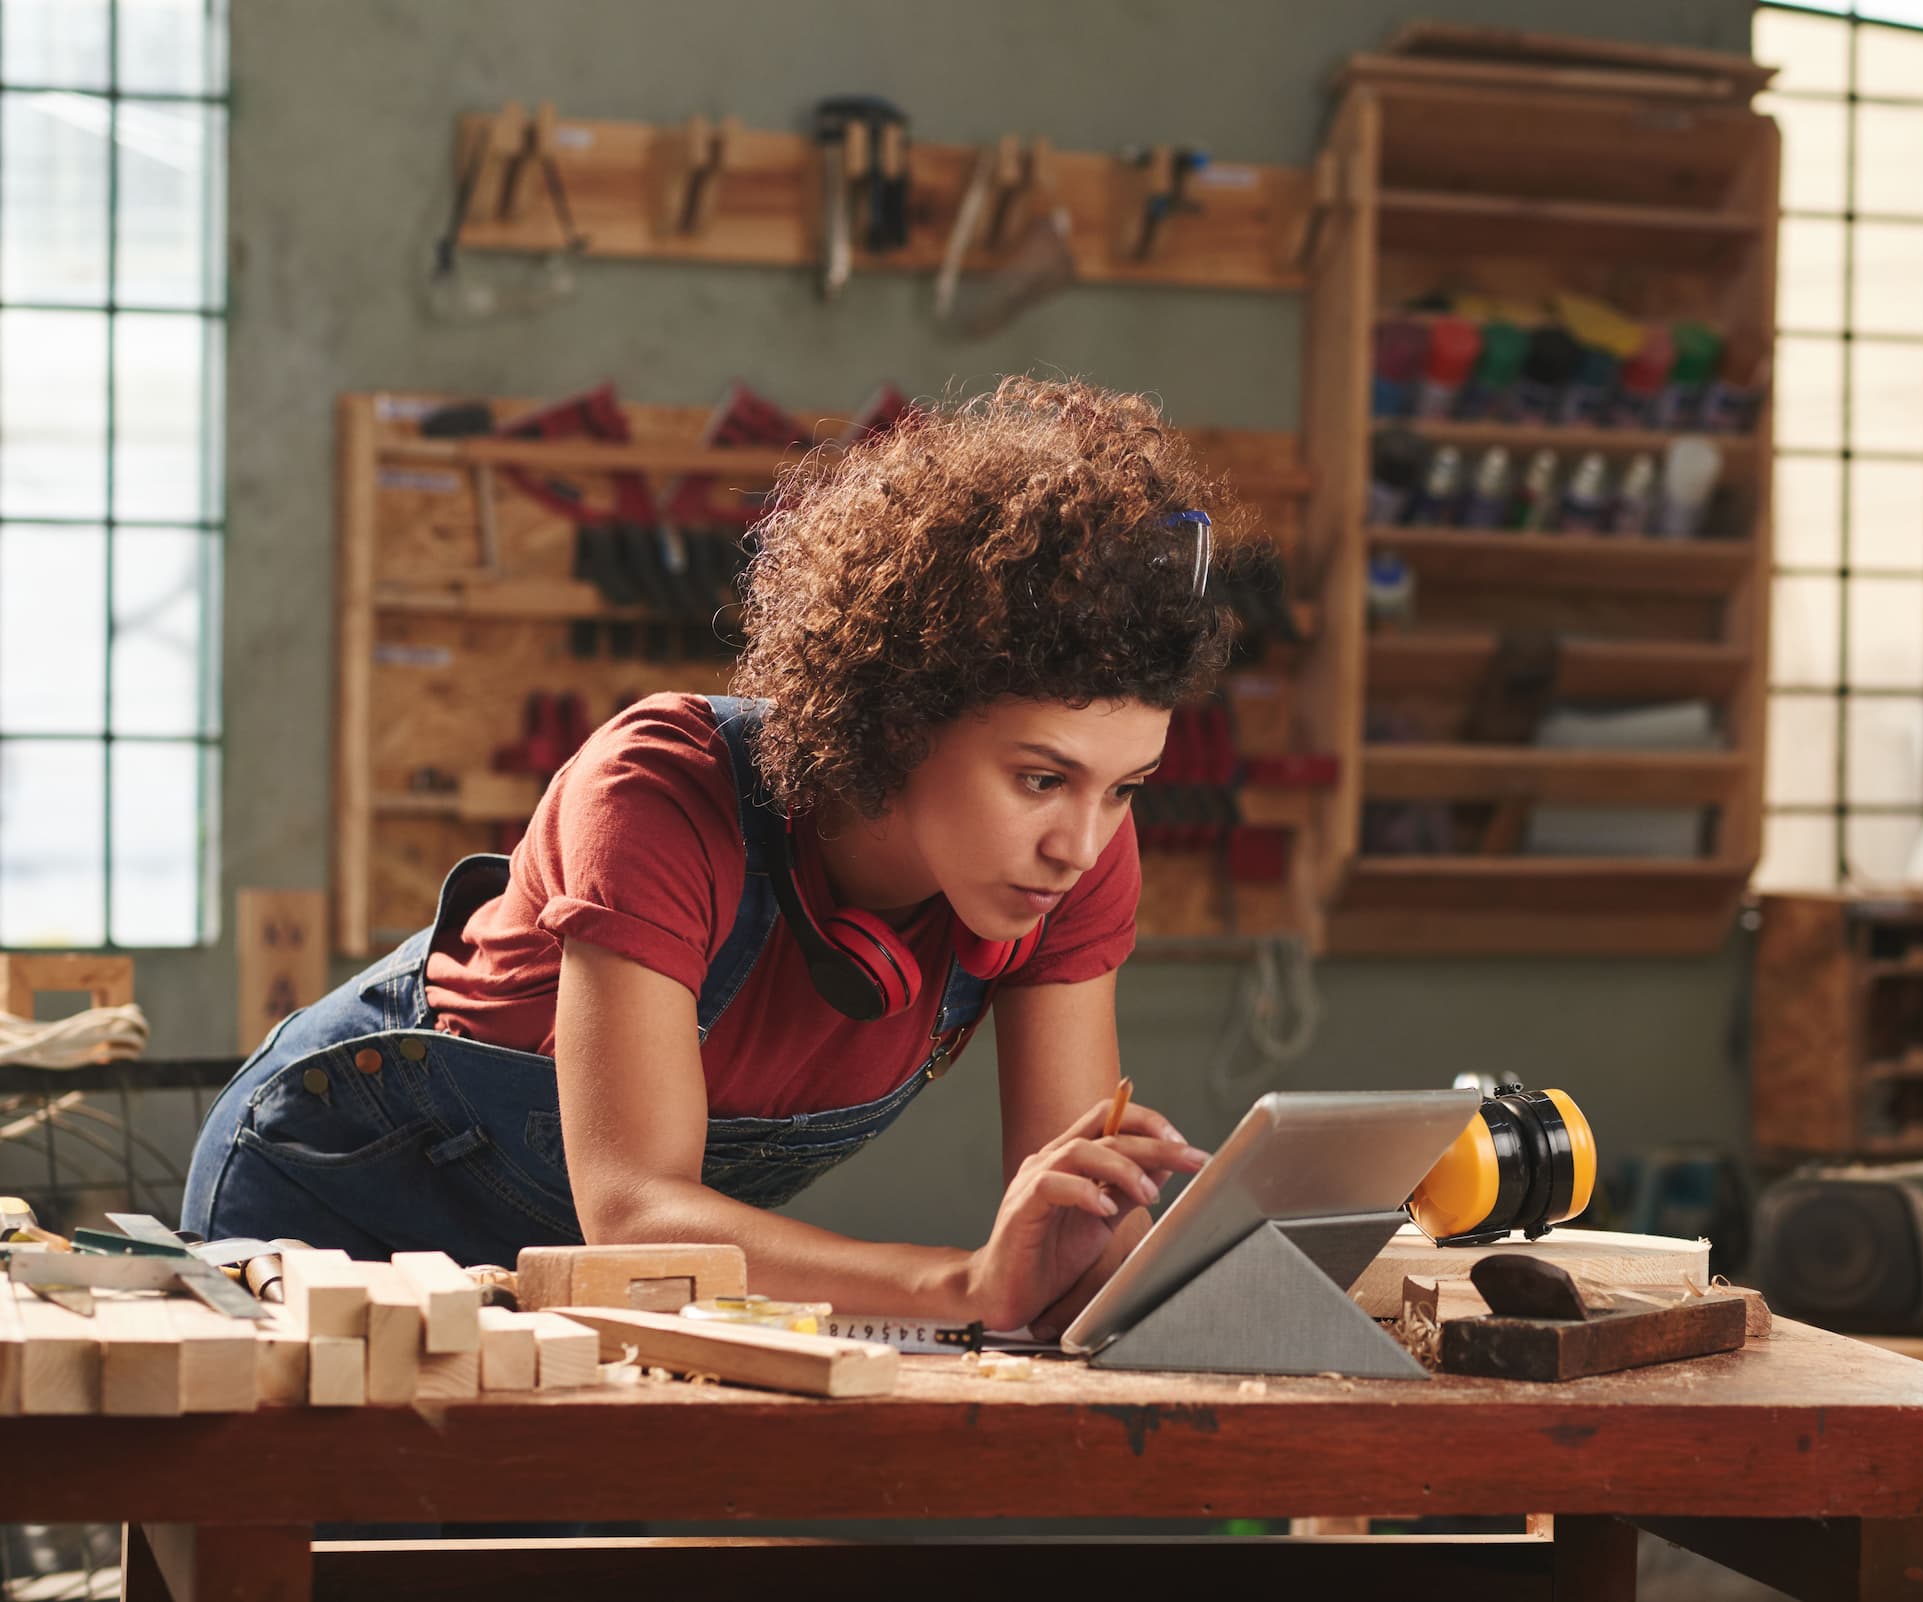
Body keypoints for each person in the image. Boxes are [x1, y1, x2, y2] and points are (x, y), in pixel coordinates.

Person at [184, 378, 1237, 1337]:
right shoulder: (657, 792)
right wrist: (961, 1287)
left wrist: (1219, 1271)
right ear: (905, 718)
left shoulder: (1080, 846)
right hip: (332, 1211)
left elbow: (1071, 1231)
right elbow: (635, 1212)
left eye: (1126, 788)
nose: (1083, 843)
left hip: (602, 1281)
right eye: (1041, 779)